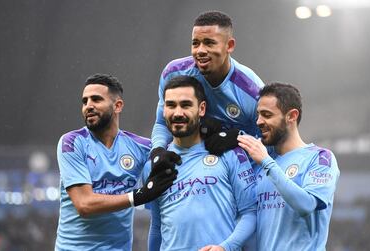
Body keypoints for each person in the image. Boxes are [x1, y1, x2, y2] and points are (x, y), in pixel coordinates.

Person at [55, 73, 178, 251]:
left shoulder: (140, 147)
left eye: (96, 99)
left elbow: (182, 152)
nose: (88, 106)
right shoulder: (72, 142)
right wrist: (139, 196)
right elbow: (84, 204)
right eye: (85, 101)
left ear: (118, 105)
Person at [144, 75, 257, 251]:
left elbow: (250, 213)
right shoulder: (155, 165)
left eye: (186, 105)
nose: (178, 113)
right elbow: (157, 226)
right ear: (163, 110)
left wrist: (225, 247)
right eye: (171, 105)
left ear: (202, 108)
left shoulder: (229, 152)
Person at [150, 10, 265, 162]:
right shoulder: (173, 73)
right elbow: (161, 123)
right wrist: (158, 150)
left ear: (229, 46)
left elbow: (270, 142)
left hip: (239, 168)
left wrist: (238, 138)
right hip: (189, 162)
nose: (200, 51)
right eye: (195, 43)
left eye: (209, 43)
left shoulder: (252, 90)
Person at [237, 82, 340, 250]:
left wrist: (266, 162)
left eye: (267, 115)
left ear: (291, 116)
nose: (259, 121)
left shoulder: (319, 158)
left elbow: (307, 205)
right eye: (258, 115)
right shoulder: (259, 162)